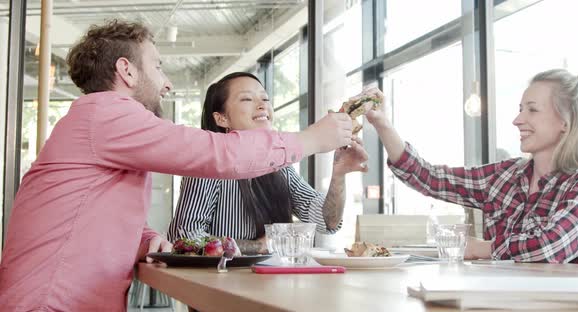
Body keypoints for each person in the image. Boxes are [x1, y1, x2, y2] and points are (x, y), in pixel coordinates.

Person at [0, 20, 358, 311]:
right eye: (157, 66)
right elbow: (214, 154)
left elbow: (95, 217)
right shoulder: (105, 114)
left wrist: (146, 239)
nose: (167, 82)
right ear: (126, 70)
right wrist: (312, 140)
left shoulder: (99, 124)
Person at [364, 68, 578, 264]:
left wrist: (482, 248)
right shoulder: (505, 176)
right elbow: (430, 178)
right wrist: (383, 124)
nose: (517, 119)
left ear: (564, 122)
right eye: (520, 109)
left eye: (532, 109)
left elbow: (552, 245)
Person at [167, 72, 369, 253]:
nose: (262, 105)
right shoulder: (208, 164)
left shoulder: (280, 165)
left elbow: (327, 222)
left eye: (265, 98)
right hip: (221, 286)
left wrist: (339, 175)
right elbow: (184, 238)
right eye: (247, 98)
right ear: (221, 119)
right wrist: (259, 246)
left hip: (273, 284)